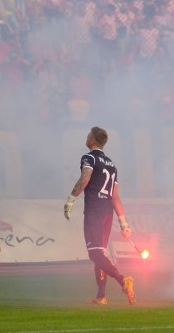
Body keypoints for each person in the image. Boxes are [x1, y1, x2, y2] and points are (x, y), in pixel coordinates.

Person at [63, 126, 136, 305]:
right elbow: (115, 196)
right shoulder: (112, 165)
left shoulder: (88, 158)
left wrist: (71, 199)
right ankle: (101, 296)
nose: (86, 137)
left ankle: (122, 280)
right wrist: (124, 223)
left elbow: (85, 178)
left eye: (88, 135)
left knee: (94, 254)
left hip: (94, 210)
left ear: (93, 140)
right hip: (107, 213)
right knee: (100, 253)